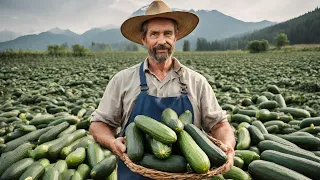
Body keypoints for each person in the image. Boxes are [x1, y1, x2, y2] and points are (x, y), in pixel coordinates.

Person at [89, 0, 236, 179]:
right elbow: (99, 124)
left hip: (186, 172)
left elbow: (219, 124)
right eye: (154, 34)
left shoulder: (196, 82)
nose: (162, 41)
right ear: (144, 39)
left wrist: (227, 145)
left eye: (167, 33)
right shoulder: (123, 80)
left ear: (175, 38)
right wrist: (112, 142)